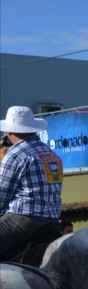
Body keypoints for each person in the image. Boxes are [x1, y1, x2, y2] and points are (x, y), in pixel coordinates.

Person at [0, 106, 63, 262]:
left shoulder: (14, 154)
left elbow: (1, 196)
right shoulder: (51, 154)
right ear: (33, 129)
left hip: (22, 220)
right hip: (53, 221)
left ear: (10, 132)